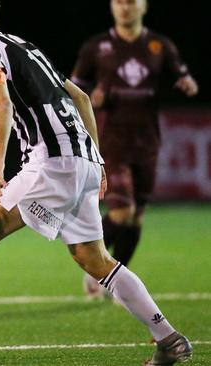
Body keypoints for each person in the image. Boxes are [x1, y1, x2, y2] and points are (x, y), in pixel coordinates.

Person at [0, 1, 192, 365]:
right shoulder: (24, 46)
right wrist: (97, 160)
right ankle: (170, 339)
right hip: (81, 162)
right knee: (94, 258)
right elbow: (81, 98)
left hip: (51, 164)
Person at [71, 0, 198, 298]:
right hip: (111, 141)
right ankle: (91, 259)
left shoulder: (159, 45)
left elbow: (183, 75)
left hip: (148, 141)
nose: (124, 7)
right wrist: (93, 98)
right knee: (121, 210)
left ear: (144, 6)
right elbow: (73, 90)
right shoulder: (96, 47)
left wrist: (187, 83)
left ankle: (116, 278)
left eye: (131, 1)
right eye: (118, 1)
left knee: (137, 216)